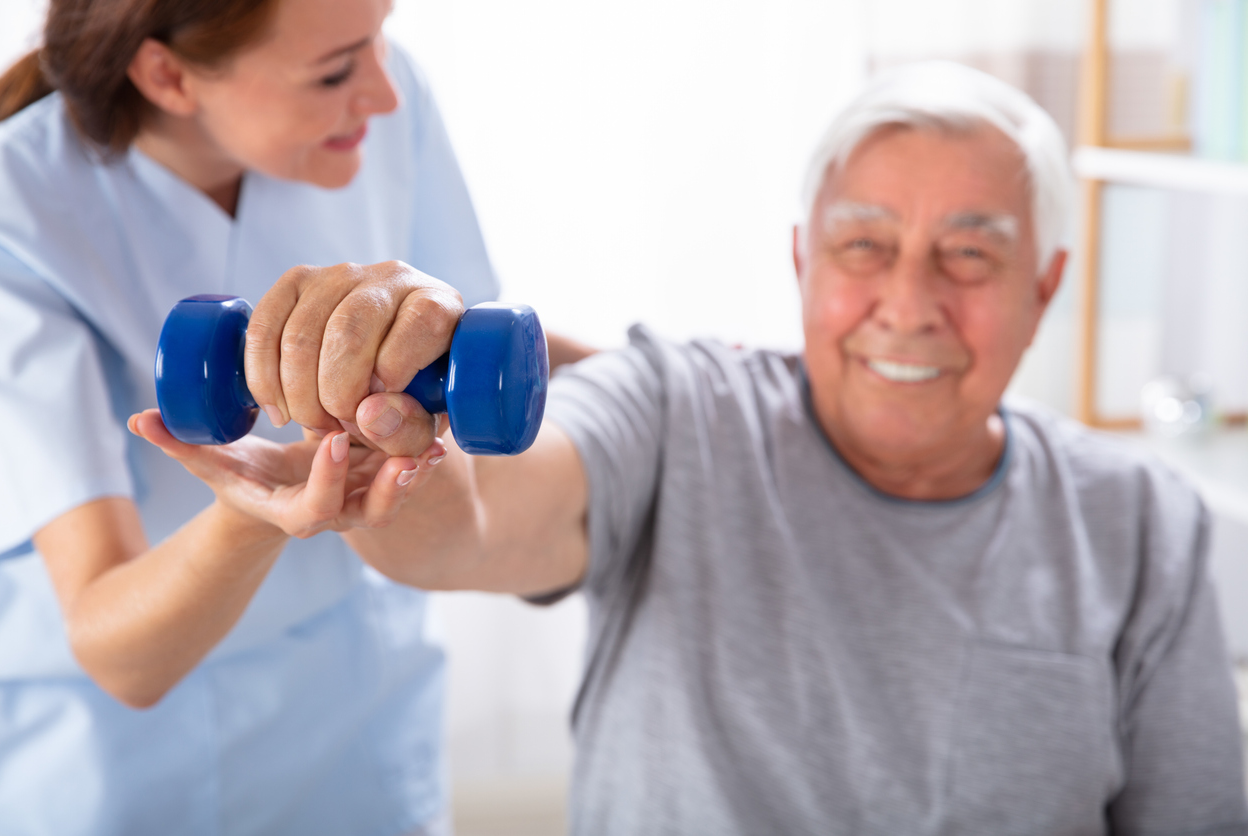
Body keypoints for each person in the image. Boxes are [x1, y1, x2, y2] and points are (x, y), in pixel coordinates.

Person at [144, 63, 1248, 832]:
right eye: (865, 245)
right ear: (803, 258)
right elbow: (479, 525)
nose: (908, 303)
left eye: (969, 255)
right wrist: (395, 457)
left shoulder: (1143, 517)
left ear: (1045, 284)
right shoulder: (680, 405)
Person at [0, 0, 592, 832]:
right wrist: (257, 516)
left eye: (381, 35)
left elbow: (467, 346)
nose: (383, 91)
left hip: (361, 718)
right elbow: (116, 650)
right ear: (167, 75)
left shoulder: (383, 104)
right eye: (337, 69)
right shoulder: (15, 216)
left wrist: (668, 372)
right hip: (127, 764)